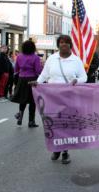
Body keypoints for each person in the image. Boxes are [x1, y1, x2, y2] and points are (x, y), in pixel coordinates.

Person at [36, 35, 87, 164]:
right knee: (53, 123)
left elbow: (84, 77)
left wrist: (77, 80)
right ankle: (56, 149)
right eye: (61, 42)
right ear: (58, 45)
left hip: (69, 97)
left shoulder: (76, 60)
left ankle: (65, 152)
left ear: (70, 45)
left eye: (66, 43)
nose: (63, 45)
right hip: (52, 97)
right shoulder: (52, 59)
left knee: (66, 124)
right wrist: (37, 83)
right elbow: (44, 74)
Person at [11, 40, 42, 127]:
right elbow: (38, 71)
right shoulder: (35, 57)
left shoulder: (19, 56)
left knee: (22, 99)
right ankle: (31, 121)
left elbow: (16, 69)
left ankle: (20, 116)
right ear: (33, 48)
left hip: (21, 79)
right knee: (32, 101)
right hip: (32, 79)